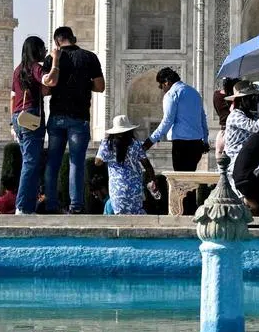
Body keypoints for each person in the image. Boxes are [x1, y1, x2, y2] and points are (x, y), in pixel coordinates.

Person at [42, 26, 104, 214]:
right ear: (74, 38)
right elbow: (100, 87)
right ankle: (76, 206)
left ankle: (51, 205)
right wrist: (84, 84)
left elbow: (45, 90)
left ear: (56, 42)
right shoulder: (89, 57)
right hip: (79, 118)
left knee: (53, 162)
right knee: (76, 163)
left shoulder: (51, 59)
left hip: (57, 117)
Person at [11, 35, 48, 214]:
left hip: (18, 118)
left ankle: (28, 206)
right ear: (37, 50)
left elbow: (13, 97)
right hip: (31, 117)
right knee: (31, 163)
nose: (45, 51)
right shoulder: (35, 68)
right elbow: (48, 82)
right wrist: (55, 63)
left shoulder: (18, 70)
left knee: (30, 163)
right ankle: (23, 206)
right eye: (43, 49)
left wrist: (12, 123)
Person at [94, 115, 157, 215]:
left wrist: (102, 148)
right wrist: (153, 180)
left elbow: (97, 162)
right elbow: (147, 165)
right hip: (135, 190)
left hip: (117, 190)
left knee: (119, 215)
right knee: (136, 214)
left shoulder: (108, 145)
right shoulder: (135, 144)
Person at [223, 81, 259, 165]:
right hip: (235, 161)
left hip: (249, 158)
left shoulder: (253, 115)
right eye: (252, 97)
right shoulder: (235, 115)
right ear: (242, 100)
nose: (255, 100)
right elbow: (256, 128)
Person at [213, 77, 236, 159]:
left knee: (220, 161)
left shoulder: (216, 95)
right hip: (232, 133)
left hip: (221, 132)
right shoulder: (235, 99)